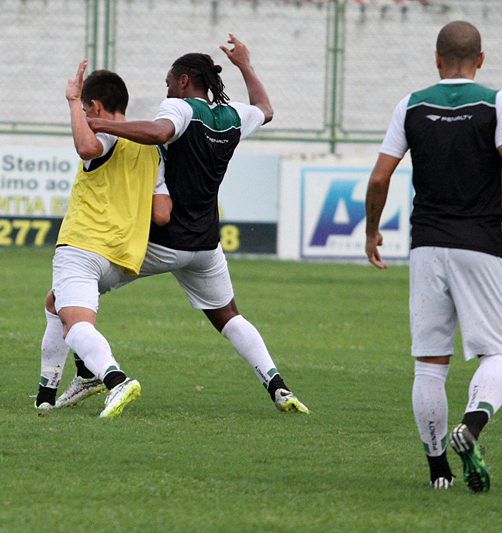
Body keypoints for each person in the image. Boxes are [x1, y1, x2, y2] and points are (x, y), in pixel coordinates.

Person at [55, 34, 309, 414]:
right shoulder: (232, 116)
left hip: (162, 242)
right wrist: (245, 65)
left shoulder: (180, 107)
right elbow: (266, 109)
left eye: (169, 81)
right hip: (205, 245)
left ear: (184, 82)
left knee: (69, 293)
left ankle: (92, 375)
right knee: (229, 316)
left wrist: (99, 124)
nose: (166, 89)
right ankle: (277, 385)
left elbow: (160, 133)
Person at [365, 21, 502, 492]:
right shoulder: (497, 102)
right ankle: (473, 425)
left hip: (426, 246)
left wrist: (371, 232)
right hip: (481, 244)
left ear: (437, 59)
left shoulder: (411, 104)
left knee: (429, 365)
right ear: (480, 59)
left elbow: (380, 178)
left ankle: (438, 468)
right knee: (499, 352)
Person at [34, 60, 165, 417]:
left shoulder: (107, 133)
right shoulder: (151, 150)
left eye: (87, 108)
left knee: (76, 323)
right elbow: (162, 213)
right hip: (123, 258)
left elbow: (88, 148)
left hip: (83, 246)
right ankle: (45, 396)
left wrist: (72, 101)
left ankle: (114, 379)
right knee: (54, 303)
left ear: (94, 107)